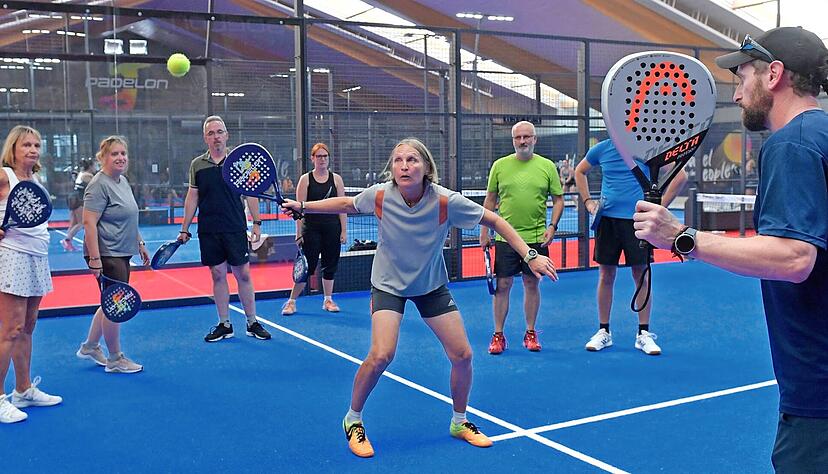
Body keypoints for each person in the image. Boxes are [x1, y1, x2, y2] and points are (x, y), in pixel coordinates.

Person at [281, 138, 558, 458]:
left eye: (412, 160)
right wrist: (303, 206)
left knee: (463, 355)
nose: (404, 165)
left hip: (430, 285)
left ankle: (460, 421)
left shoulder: (445, 201)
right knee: (382, 354)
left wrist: (530, 254)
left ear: (426, 168)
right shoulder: (382, 195)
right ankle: (353, 419)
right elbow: (347, 203)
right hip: (388, 285)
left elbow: (494, 220)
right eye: (398, 160)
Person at [633, 27, 828, 471]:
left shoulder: (792, 144)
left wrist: (683, 239)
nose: (737, 95)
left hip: (818, 392)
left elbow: (795, 258)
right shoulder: (821, 136)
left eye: (741, 78)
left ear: (774, 74)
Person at [574, 139, 687, 355]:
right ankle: (603, 332)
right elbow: (580, 171)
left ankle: (643, 334)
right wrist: (588, 201)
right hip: (607, 221)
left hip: (638, 221)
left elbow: (680, 177)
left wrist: (658, 208)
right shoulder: (602, 149)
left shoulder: (647, 148)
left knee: (641, 275)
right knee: (606, 275)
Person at [178, 115, 271, 342]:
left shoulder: (239, 163)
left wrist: (257, 222)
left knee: (243, 274)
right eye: (211, 133)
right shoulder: (197, 165)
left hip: (235, 227)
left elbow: (250, 193)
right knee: (218, 275)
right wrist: (184, 228)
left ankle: (252, 322)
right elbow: (192, 197)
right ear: (205, 138)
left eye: (219, 132)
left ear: (226, 135)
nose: (216, 136)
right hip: (209, 229)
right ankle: (225, 324)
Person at [480, 121, 564, 354]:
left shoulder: (547, 166)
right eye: (518, 138)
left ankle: (530, 332)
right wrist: (484, 231)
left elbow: (558, 200)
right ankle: (498, 335)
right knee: (503, 285)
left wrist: (552, 226)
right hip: (505, 239)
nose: (523, 141)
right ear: (513, 140)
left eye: (527, 137)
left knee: (531, 283)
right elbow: (490, 200)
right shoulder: (500, 166)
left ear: (535, 139)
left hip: (536, 238)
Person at [0, 125, 62, 424]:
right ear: (13, 148)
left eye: (36, 145)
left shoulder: (34, 179)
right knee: (10, 329)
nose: (33, 150)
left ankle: (23, 389)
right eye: (26, 145)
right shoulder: (4, 176)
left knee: (27, 326)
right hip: (12, 256)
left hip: (38, 256)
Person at [75, 136, 150, 374]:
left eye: (123, 154)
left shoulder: (122, 181)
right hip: (107, 254)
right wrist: (95, 259)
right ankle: (115, 359)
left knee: (110, 301)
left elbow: (129, 215)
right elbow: (88, 223)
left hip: (123, 251)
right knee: (116, 305)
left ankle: (89, 346)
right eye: (114, 154)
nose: (120, 158)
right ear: (103, 158)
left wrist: (139, 242)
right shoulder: (98, 184)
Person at [281, 143, 346, 315]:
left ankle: (328, 300)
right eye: (319, 156)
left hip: (332, 228)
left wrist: (344, 231)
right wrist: (299, 232)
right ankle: (291, 301)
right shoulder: (306, 180)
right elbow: (298, 209)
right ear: (312, 159)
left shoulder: (337, 180)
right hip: (311, 229)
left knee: (330, 265)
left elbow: (343, 207)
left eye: (325, 156)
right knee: (306, 267)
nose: (322, 159)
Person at [61, 159, 95, 252]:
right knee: (81, 223)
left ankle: (68, 242)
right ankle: (67, 240)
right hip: (79, 199)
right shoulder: (88, 176)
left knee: (74, 223)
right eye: (94, 166)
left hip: (73, 197)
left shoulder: (81, 173)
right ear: (91, 166)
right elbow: (95, 188)